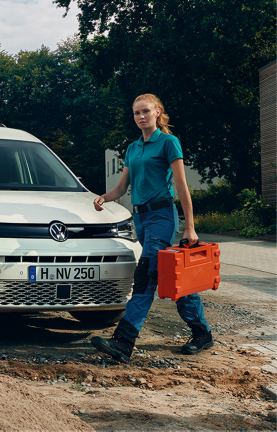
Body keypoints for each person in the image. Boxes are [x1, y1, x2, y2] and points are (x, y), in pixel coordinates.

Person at [90, 94, 213, 362]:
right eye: (136, 113)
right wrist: (104, 197)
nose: (141, 116)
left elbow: (181, 186)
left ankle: (123, 341)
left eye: (146, 111)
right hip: (141, 220)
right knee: (171, 275)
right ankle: (202, 332)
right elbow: (123, 187)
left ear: (158, 112)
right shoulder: (133, 148)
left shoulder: (169, 142)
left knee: (145, 275)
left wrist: (189, 227)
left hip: (162, 215)